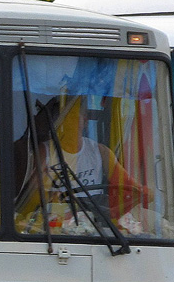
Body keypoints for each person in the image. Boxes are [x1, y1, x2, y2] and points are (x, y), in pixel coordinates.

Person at [15, 95, 149, 232]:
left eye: (73, 115)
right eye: (64, 115)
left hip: (96, 222)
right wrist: (53, 198)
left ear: (85, 120)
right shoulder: (45, 152)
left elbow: (128, 185)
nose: (68, 120)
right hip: (59, 225)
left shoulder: (100, 152)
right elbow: (32, 196)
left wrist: (145, 192)